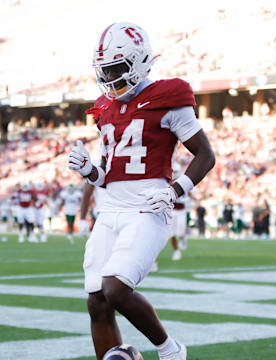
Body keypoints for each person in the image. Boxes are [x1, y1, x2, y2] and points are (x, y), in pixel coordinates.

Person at [67, 22, 215, 360]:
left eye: (117, 70)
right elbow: (109, 174)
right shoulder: (103, 107)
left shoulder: (169, 96)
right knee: (97, 301)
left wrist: (177, 189)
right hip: (110, 209)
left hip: (149, 206)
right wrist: (89, 169)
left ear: (140, 61)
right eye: (105, 72)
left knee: (116, 288)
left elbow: (206, 155)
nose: (110, 80)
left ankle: (171, 350)